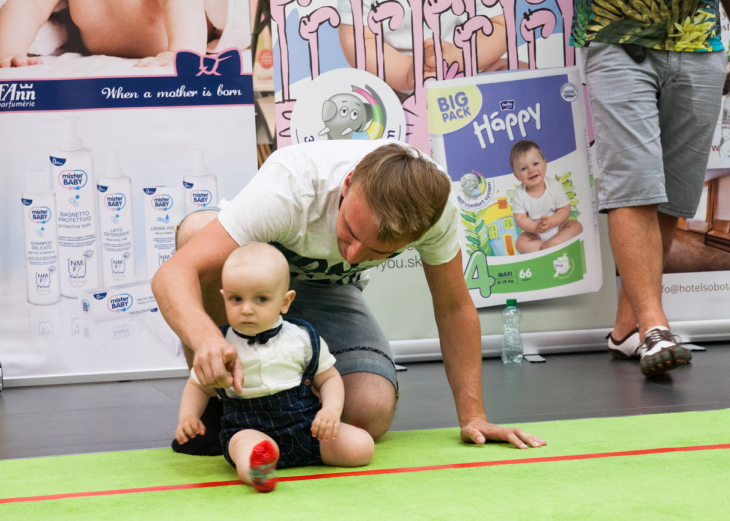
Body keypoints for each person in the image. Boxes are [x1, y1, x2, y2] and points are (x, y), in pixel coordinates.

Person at [153, 139, 547, 456]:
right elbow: (172, 274)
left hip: (331, 291)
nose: (353, 255)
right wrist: (207, 340)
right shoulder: (293, 185)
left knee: (369, 412)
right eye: (350, 231)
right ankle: (222, 409)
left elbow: (454, 306)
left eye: (378, 251)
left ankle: (279, 409)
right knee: (197, 232)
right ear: (347, 184)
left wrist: (473, 416)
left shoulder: (435, 210)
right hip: (257, 286)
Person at [570, 0, 728, 375]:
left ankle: (627, 329)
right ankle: (656, 326)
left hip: (701, 40)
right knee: (633, 181)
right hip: (617, 37)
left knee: (674, 193)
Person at [175, 243, 374, 492]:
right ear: (224, 297)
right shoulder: (220, 345)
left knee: (361, 446)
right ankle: (257, 466)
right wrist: (188, 416)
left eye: (261, 299)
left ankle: (280, 456)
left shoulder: (302, 337)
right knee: (244, 446)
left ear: (285, 301)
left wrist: (331, 411)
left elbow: (330, 378)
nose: (246, 309)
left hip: (306, 426)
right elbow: (198, 385)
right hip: (247, 426)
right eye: (236, 299)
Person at [337, 0, 507, 93]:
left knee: (515, 69)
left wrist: (458, 57)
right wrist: (407, 71)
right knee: (363, 100)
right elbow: (358, 40)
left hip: (469, 71)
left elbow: (498, 27)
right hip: (399, 84)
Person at [0, 0, 209, 68]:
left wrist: (181, 54)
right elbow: (26, 6)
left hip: (175, 44)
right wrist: (8, 51)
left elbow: (185, 3)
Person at [509, 140, 583, 253]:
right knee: (520, 244)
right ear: (517, 176)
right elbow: (520, 219)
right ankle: (548, 247)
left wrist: (552, 221)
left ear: (544, 165)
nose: (531, 170)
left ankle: (553, 243)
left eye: (535, 164)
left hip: (558, 226)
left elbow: (565, 209)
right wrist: (536, 227)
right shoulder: (519, 194)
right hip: (535, 234)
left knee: (576, 226)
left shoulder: (554, 186)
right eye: (524, 168)